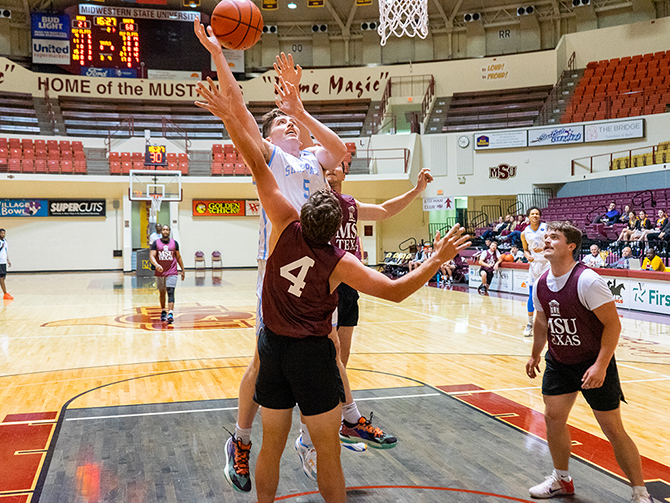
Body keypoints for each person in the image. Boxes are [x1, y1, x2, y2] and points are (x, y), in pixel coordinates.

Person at [197, 79, 470, 503]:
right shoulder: (340, 264)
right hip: (310, 356)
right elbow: (396, 291)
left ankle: (250, 453)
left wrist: (229, 115)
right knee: (328, 452)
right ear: (342, 228)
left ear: (303, 213)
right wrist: (435, 260)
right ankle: (345, 424)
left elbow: (253, 160)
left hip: (273, 348)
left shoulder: (282, 228)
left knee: (272, 447)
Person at [193, 22, 355, 493]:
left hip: (318, 264)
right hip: (280, 267)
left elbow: (339, 149)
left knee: (328, 350)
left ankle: (316, 434)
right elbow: (240, 112)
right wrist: (220, 56)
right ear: (267, 135)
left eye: (289, 124)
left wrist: (299, 108)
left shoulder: (310, 159)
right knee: (267, 361)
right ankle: (241, 440)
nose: (285, 125)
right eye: (279, 122)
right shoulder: (270, 158)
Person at [525, 221, 653, 503]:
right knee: (553, 418)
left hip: (593, 363)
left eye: (554, 237)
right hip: (559, 361)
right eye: (545, 237)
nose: (546, 241)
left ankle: (640, 491)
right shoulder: (541, 282)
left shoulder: (587, 280)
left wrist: (601, 365)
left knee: (612, 429)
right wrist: (535, 353)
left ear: (571, 246)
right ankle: (561, 479)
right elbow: (542, 321)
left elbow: (613, 325)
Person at [521, 207, 550, 337]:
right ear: (528, 216)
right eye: (532, 214)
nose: (535, 216)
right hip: (534, 265)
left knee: (549, 294)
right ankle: (529, 324)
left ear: (540, 216)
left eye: (537, 214)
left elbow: (553, 243)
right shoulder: (524, 233)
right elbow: (525, 249)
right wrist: (527, 256)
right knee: (532, 295)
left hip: (547, 263)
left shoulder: (546, 227)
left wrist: (544, 247)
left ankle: (549, 324)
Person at [149, 225, 185, 324]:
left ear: (169, 232)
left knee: (170, 291)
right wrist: (156, 265)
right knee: (162, 292)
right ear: (161, 232)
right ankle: (163, 311)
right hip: (160, 272)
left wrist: (182, 269)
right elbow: (152, 256)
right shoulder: (156, 243)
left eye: (167, 229)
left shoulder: (174, 243)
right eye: (164, 230)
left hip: (172, 271)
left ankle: (170, 312)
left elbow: (178, 257)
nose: (165, 231)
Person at [0, 228, 12, 300]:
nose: (3, 234)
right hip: (0, 262)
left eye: (4, 233)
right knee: (1, 278)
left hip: (3, 261)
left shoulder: (5, 241)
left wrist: (8, 260)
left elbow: (5, 251)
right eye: (2, 233)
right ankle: (5, 293)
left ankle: (5, 292)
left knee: (3, 277)